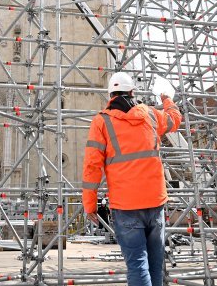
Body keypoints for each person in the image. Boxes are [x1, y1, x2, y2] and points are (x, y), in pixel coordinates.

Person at [83, 72, 182, 286]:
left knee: (138, 265)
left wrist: (90, 205)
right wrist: (167, 100)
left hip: (126, 205)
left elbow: (92, 167)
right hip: (155, 202)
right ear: (132, 92)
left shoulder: (102, 121)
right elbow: (175, 120)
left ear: (110, 94)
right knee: (155, 264)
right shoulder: (151, 115)